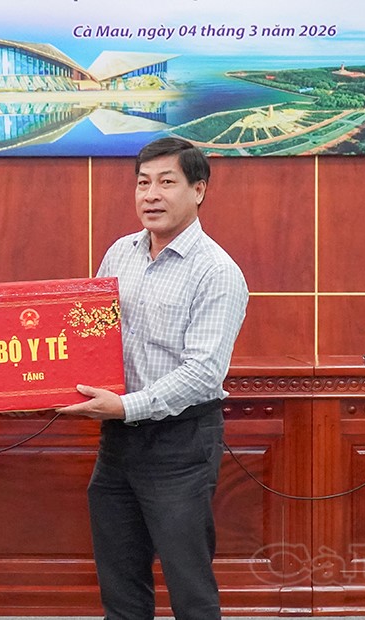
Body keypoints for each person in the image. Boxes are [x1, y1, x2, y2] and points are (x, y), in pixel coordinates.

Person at [58, 136, 248, 620]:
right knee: (120, 585)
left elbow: (203, 373)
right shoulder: (119, 253)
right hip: (117, 443)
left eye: (167, 182)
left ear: (198, 190)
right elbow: (91, 334)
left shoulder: (217, 272)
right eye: (143, 183)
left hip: (180, 444)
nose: (151, 195)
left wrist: (126, 406)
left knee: (189, 587)